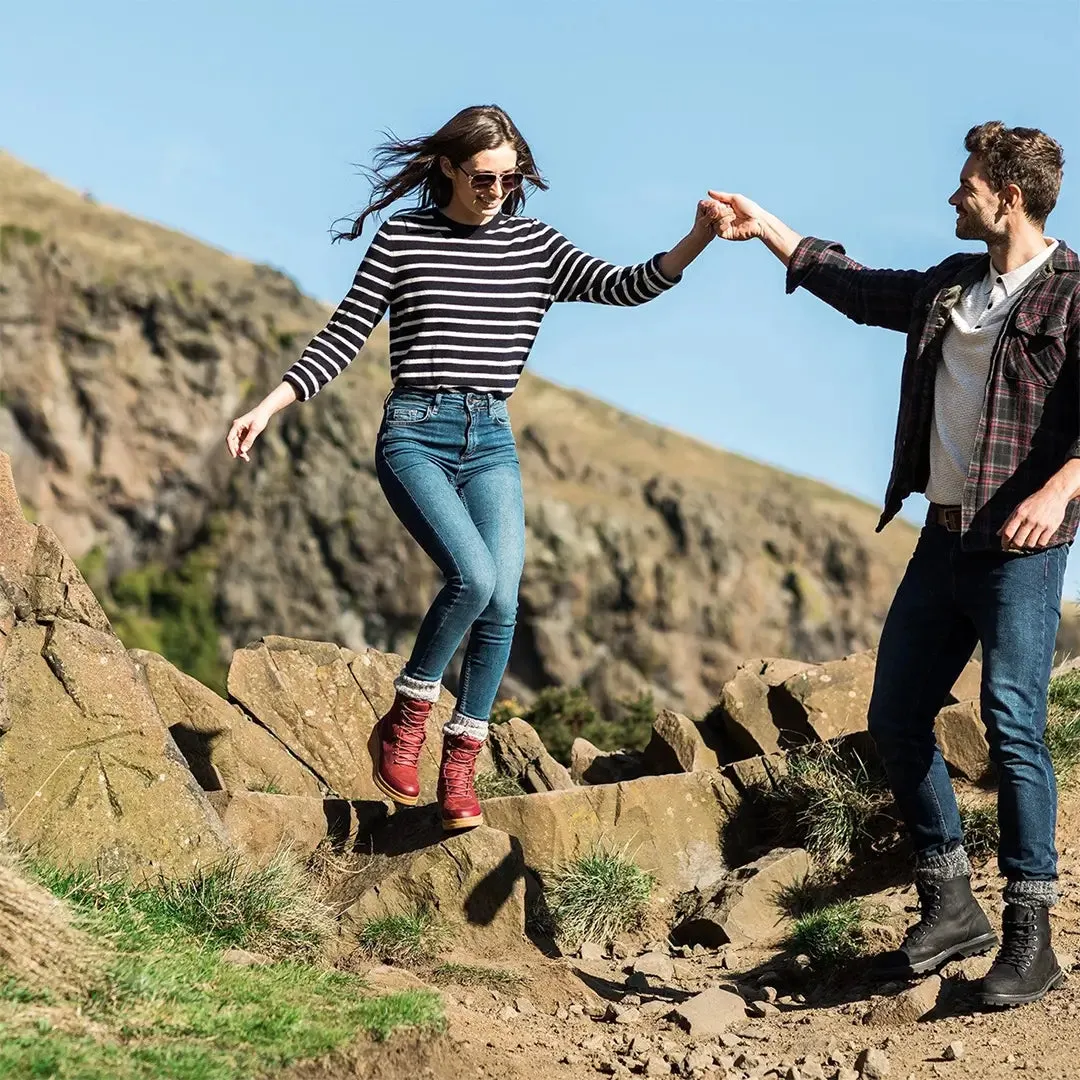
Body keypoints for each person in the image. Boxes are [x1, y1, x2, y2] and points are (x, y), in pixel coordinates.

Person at [226, 104, 720, 831]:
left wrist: (699, 237)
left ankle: (461, 764)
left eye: (509, 177)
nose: (497, 189)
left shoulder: (534, 245)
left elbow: (628, 284)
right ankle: (407, 718)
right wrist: (270, 405)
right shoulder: (405, 239)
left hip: (490, 436)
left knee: (504, 600)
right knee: (475, 575)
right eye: (483, 177)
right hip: (415, 435)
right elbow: (344, 333)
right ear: (449, 169)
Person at [709, 121, 1079, 1008]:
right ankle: (951, 905)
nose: (955, 196)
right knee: (896, 716)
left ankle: (1034, 940)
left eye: (968, 184)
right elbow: (861, 288)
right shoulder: (955, 285)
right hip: (941, 538)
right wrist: (769, 230)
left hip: (1020, 548)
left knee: (1012, 722)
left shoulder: (1073, 293)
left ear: (1010, 196)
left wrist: (1061, 489)